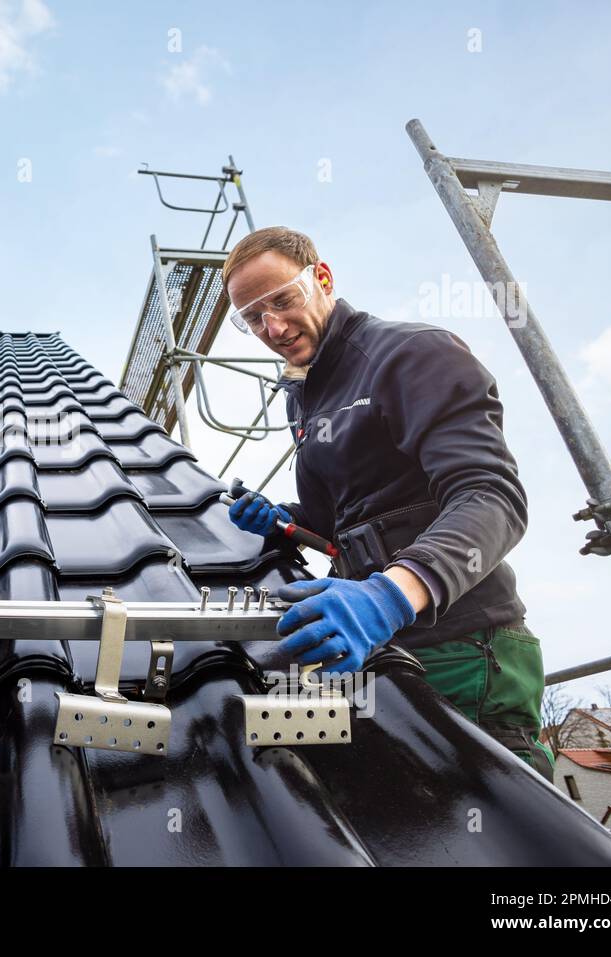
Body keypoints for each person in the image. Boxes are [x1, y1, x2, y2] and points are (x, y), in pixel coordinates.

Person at [223, 225, 554, 779]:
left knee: (499, 819)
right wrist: (285, 521)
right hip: (382, 643)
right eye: (253, 317)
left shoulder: (409, 355)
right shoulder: (307, 397)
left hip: (463, 643)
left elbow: (492, 496)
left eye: (281, 300)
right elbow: (341, 523)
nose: (272, 328)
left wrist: (389, 597)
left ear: (322, 279)